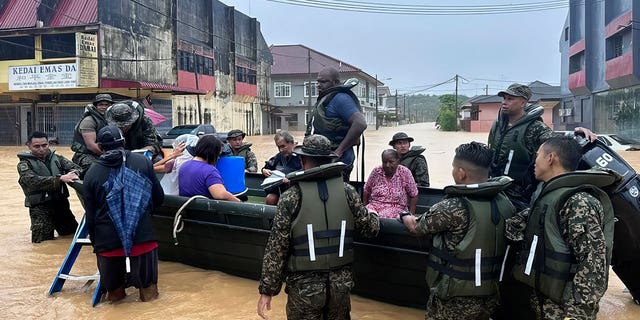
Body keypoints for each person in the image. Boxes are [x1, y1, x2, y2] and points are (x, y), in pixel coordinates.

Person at [257, 134, 380, 320]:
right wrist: (375, 215)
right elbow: (370, 229)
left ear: (302, 159)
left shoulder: (291, 197)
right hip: (340, 287)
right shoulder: (348, 192)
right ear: (330, 159)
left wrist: (268, 290)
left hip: (305, 288)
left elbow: (277, 248)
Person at [507, 136, 619, 320]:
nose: (534, 162)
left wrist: (576, 314)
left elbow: (593, 264)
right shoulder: (548, 195)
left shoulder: (578, 202)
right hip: (544, 302)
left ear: (550, 158)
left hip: (563, 311)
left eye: (537, 156)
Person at [402, 142, 515, 320]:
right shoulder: (505, 202)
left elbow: (417, 227)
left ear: (461, 173)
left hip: (455, 299)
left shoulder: (452, 206)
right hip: (491, 295)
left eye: (454, 168)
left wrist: (404, 215)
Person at [83, 125, 164, 303]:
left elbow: (90, 216)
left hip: (108, 243)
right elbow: (158, 198)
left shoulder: (91, 174)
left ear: (101, 148)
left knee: (115, 297)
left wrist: (98, 245)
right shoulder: (143, 162)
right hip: (142, 238)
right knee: (149, 295)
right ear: (124, 142)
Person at [488, 83, 596, 211]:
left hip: (518, 197)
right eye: (504, 98)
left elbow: (557, 143)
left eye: (510, 99)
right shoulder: (498, 124)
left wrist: (576, 134)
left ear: (523, 103)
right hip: (494, 188)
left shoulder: (535, 127)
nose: (504, 102)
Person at [17, 131, 81, 243]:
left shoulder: (57, 158)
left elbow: (77, 168)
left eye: (44, 145)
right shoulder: (24, 164)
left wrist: (74, 174)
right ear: (29, 145)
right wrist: (59, 179)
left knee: (72, 236)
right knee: (42, 244)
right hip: (40, 209)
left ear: (48, 144)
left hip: (61, 204)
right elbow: (31, 181)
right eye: (37, 146)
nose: (41, 149)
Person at [306, 67, 367, 180]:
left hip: (337, 162)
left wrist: (339, 151)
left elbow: (360, 123)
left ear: (336, 82)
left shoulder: (341, 99)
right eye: (318, 81)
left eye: (323, 81)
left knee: (335, 195)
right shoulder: (325, 99)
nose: (319, 85)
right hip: (323, 160)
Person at [178, 135, 241, 202]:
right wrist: (240, 203)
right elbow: (220, 194)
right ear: (213, 152)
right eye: (218, 154)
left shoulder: (184, 165)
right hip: (205, 210)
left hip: (187, 209)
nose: (218, 158)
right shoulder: (209, 170)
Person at [363, 149, 418, 219]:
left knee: (402, 220)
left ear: (398, 161)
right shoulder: (376, 171)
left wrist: (411, 215)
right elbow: (366, 190)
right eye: (384, 162)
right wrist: (365, 207)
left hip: (397, 209)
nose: (387, 165)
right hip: (374, 207)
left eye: (391, 162)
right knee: (365, 216)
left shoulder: (405, 172)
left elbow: (414, 195)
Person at [71, 93, 113, 172]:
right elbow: (92, 146)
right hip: (85, 155)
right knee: (96, 168)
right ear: (96, 106)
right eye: (100, 104)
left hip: (104, 153)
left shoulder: (110, 119)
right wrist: (110, 156)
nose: (104, 107)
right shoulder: (89, 121)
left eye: (107, 104)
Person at [261, 130, 302, 205]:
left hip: (298, 189)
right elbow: (268, 165)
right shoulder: (279, 156)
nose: (281, 150)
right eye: (278, 147)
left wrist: (292, 179)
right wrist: (264, 170)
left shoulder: (301, 156)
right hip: (281, 189)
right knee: (270, 199)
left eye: (283, 146)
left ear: (292, 143)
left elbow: (307, 172)